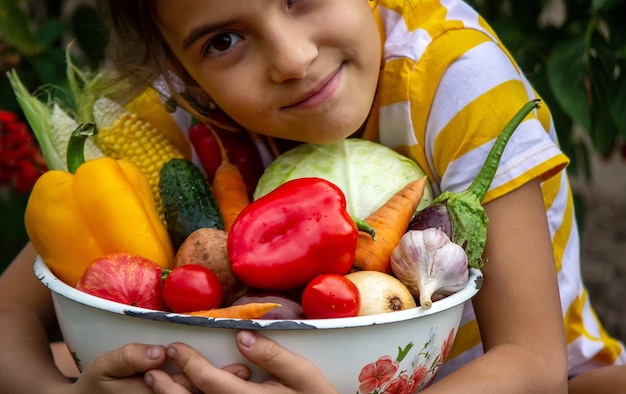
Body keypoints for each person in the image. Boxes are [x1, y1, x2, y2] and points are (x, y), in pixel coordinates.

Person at [1, 0, 625, 392]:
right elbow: (7, 315)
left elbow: (533, 363)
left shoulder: (452, 75)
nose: (293, 59)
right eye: (223, 41)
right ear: (177, 67)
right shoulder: (176, 112)